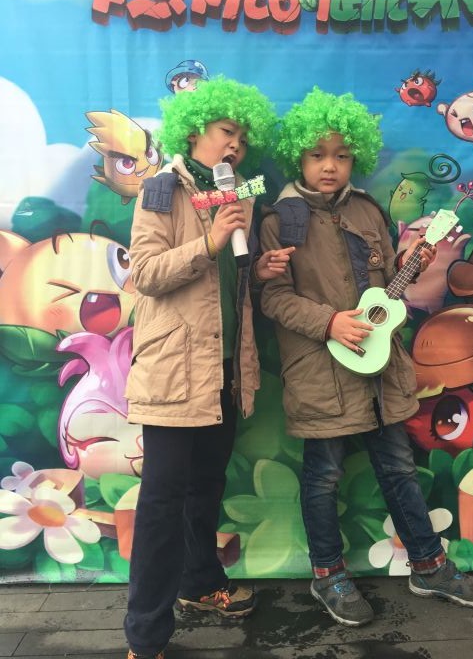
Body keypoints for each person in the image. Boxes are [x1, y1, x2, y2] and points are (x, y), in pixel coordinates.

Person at [260, 87, 473, 627]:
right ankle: (328, 575)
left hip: (380, 373)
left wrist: (412, 270)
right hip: (320, 375)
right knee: (323, 478)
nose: (330, 166)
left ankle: (428, 565)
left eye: (342, 156)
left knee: (399, 469)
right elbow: (271, 297)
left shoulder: (367, 211)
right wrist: (329, 322)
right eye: (318, 155)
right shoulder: (280, 220)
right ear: (298, 156)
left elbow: (389, 286)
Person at [123, 77, 294, 659]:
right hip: (174, 374)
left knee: (206, 488)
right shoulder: (161, 189)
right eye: (227, 131)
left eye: (243, 137)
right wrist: (210, 241)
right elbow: (145, 274)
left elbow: (229, 284)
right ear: (195, 129)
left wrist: (258, 271)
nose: (236, 145)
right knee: (162, 503)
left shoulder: (240, 194)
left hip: (226, 371)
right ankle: (145, 637)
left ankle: (199, 584)